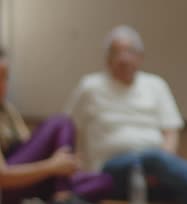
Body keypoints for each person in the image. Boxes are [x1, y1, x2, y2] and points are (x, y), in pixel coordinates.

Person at [65, 25, 187, 204]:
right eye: (116, 53)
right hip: (109, 171)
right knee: (152, 158)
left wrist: (162, 167)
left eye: (130, 52)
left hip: (155, 169)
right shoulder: (90, 87)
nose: (123, 59)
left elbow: (170, 132)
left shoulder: (156, 85)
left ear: (140, 57)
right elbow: (69, 129)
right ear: (107, 59)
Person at [0, 48, 112, 204]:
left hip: (29, 181)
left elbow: (29, 147)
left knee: (104, 180)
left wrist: (66, 163)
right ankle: (63, 193)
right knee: (61, 122)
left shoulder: (7, 110)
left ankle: (61, 192)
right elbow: (2, 177)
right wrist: (52, 166)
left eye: (5, 77)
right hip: (7, 187)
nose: (3, 84)